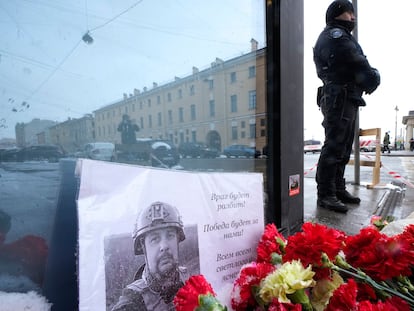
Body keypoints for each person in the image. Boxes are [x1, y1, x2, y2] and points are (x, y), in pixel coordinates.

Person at [313, 0, 380, 213]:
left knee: (342, 145)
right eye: (348, 13)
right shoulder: (336, 36)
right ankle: (326, 193)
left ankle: (337, 188)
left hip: (344, 96)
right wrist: (373, 77)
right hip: (338, 96)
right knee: (334, 145)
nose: (353, 17)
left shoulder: (339, 36)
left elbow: (355, 62)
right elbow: (356, 61)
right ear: (337, 14)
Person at [111, 201, 188, 311]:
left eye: (170, 235)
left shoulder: (190, 280)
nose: (164, 246)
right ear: (143, 246)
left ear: (177, 240)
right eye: (155, 239)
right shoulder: (131, 303)